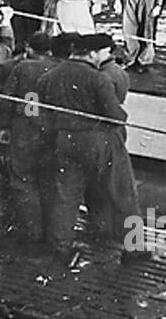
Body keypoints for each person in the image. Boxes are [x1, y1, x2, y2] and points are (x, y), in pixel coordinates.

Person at [37, 33, 140, 257]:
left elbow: (39, 111)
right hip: (98, 140)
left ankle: (60, 247)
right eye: (102, 53)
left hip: (64, 139)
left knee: (66, 195)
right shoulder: (97, 78)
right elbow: (115, 116)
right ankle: (134, 246)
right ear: (92, 53)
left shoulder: (48, 77)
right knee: (122, 192)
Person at [0, 32, 57, 240]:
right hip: (50, 128)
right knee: (48, 178)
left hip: (23, 126)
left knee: (22, 177)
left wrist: (4, 126)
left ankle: (31, 228)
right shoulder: (58, 67)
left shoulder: (22, 68)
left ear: (29, 48)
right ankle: (51, 226)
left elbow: (7, 97)